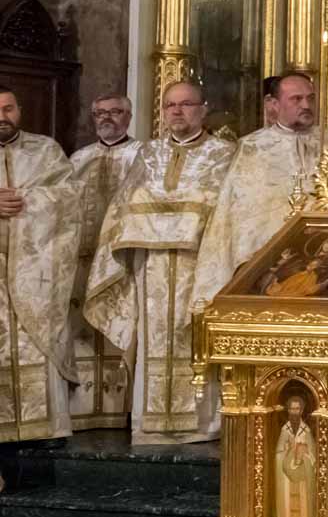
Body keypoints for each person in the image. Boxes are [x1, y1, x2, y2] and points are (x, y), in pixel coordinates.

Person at [84, 82, 236, 443]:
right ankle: (149, 423)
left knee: (193, 334)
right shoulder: (149, 153)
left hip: (201, 265)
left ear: (203, 109)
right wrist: (182, 213)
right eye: (170, 106)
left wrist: (159, 214)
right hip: (149, 266)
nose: (177, 112)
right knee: (152, 339)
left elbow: (225, 207)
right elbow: (127, 203)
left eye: (186, 104)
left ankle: (201, 424)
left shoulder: (224, 154)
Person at [194, 73, 328, 313]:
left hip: (321, 252)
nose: (306, 105)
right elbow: (238, 209)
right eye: (296, 99)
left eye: (310, 98)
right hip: (267, 257)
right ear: (273, 104)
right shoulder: (252, 147)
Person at [0, 87, 79, 446]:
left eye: (8, 108)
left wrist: (25, 200)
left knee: (37, 341)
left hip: (35, 271)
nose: (2, 116)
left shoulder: (46, 150)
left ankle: (45, 428)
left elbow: (70, 197)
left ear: (19, 110)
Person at [67, 93, 138, 430]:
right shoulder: (78, 159)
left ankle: (120, 410)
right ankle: (82, 411)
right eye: (100, 113)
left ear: (129, 116)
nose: (107, 118)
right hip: (81, 263)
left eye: (115, 112)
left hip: (122, 262)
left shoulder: (143, 156)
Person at [275, 391, 318, 517]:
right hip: (287, 481)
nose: (294, 412)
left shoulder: (306, 431)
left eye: (297, 409)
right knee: (288, 514)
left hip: (302, 482)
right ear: (288, 410)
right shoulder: (284, 430)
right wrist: (288, 451)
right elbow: (277, 455)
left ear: (302, 411)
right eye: (292, 409)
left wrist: (304, 453)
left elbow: (314, 457)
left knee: (302, 514)